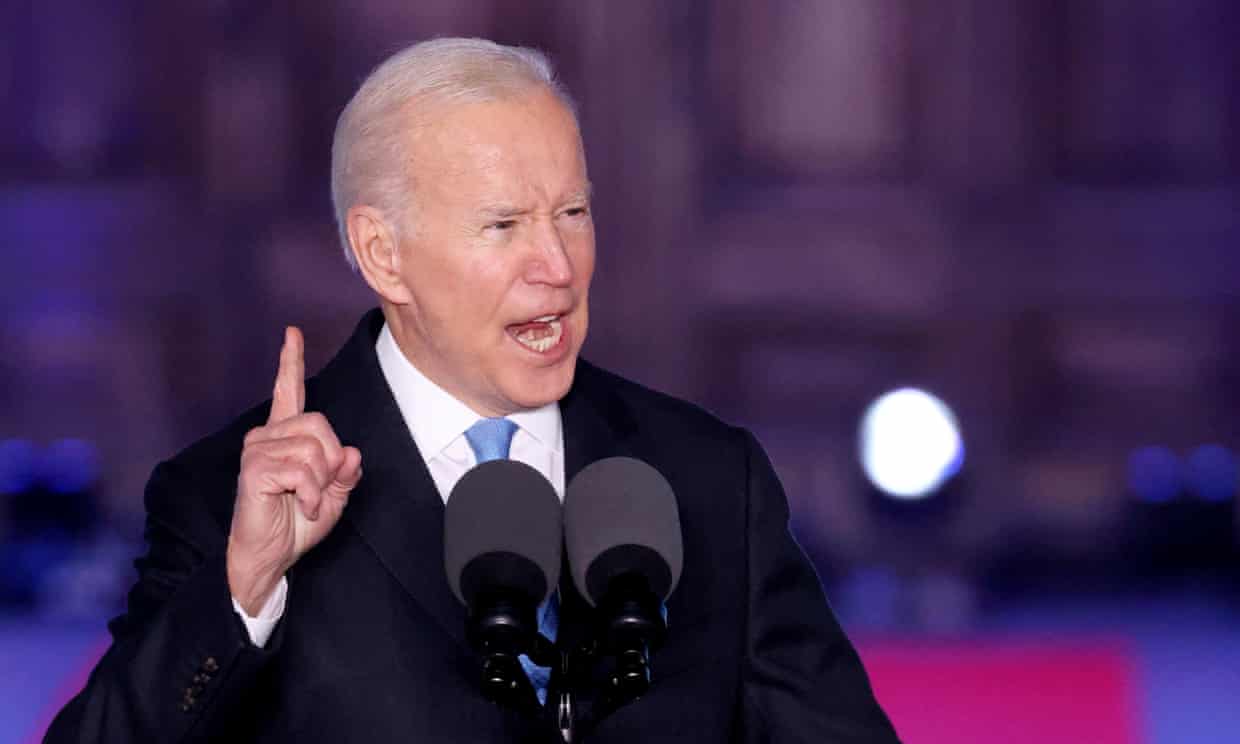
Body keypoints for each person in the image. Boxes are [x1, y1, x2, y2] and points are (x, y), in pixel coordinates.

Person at [45, 38, 899, 743]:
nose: (557, 266)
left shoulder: (707, 478)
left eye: (573, 213)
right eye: (504, 225)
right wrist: (246, 586)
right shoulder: (226, 501)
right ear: (383, 254)